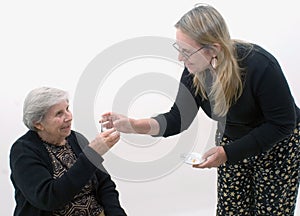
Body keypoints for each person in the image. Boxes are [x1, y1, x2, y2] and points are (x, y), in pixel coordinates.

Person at [100, 4, 300, 215]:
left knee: (270, 212)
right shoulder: (194, 71)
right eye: (178, 49)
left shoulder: (259, 65)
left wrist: (227, 153)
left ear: (213, 49)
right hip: (231, 142)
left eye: (185, 51)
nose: (180, 58)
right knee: (230, 210)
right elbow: (177, 118)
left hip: (277, 144)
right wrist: (133, 125)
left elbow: (282, 124)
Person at [9, 87, 127, 216]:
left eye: (67, 109)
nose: (69, 117)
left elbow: (105, 184)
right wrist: (92, 154)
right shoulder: (23, 151)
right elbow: (49, 199)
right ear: (38, 124)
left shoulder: (76, 138)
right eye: (59, 113)